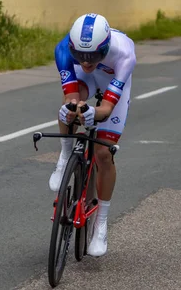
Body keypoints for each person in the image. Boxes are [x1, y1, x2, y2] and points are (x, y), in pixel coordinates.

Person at [51, 13, 136, 257]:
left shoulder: (124, 54)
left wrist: (93, 113)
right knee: (69, 110)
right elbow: (71, 96)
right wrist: (76, 108)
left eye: (93, 56)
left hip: (112, 79)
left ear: (106, 47)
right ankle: (65, 156)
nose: (86, 61)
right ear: (71, 47)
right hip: (87, 81)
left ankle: (101, 223)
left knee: (103, 152)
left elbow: (107, 109)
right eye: (81, 56)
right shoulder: (64, 51)